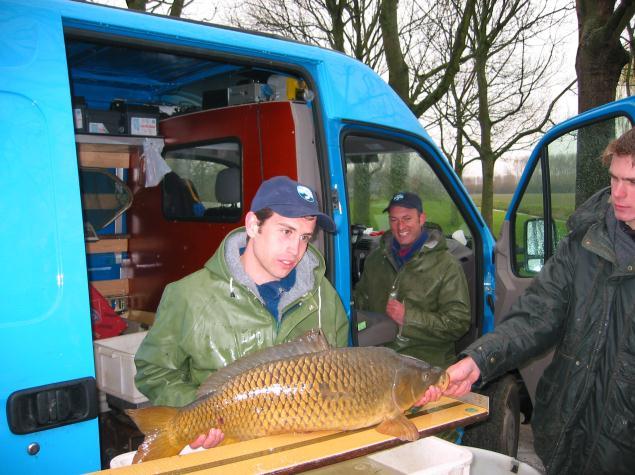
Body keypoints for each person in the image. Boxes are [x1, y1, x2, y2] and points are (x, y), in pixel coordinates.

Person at [430, 128, 635, 475]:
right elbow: (537, 313)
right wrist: (479, 359)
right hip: (565, 440)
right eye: (614, 178)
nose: (618, 193)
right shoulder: (584, 241)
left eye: (632, 182)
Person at [134, 175, 350, 449]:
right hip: (227, 450)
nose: (295, 250)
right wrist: (199, 414)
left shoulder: (324, 296)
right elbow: (153, 372)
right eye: (285, 231)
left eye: (305, 237)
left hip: (304, 450)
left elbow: (343, 374)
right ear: (252, 225)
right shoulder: (189, 296)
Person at [353, 191, 471, 368]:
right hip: (377, 365)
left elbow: (458, 323)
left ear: (421, 219)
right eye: (394, 220)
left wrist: (408, 319)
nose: (400, 227)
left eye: (407, 218)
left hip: (425, 368)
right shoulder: (375, 259)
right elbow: (360, 302)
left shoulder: (447, 265)